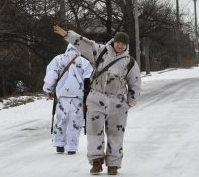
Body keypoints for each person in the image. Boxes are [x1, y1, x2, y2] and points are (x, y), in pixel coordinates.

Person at [53, 25, 141, 175]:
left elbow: (135, 83)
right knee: (94, 132)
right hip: (96, 98)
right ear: (114, 41)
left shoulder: (130, 62)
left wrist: (130, 102)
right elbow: (83, 43)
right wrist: (67, 35)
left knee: (115, 134)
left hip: (117, 102)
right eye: (118, 42)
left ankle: (113, 164)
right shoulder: (100, 51)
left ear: (126, 46)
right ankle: (96, 162)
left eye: (123, 44)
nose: (120, 45)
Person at [43, 43, 93, 155]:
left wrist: (48, 90)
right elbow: (88, 81)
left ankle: (59, 145)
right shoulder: (84, 62)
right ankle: (71, 147)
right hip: (77, 97)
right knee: (75, 121)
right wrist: (87, 96)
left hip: (62, 96)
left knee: (61, 120)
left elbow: (51, 75)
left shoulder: (58, 59)